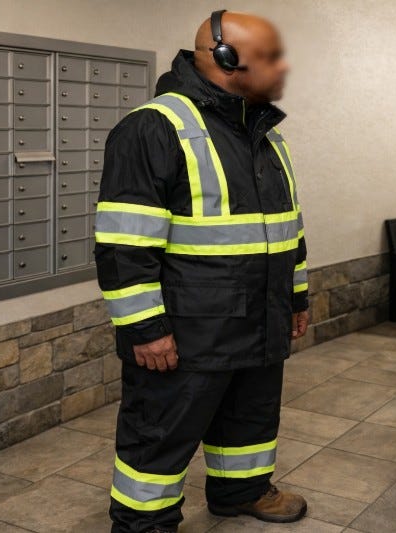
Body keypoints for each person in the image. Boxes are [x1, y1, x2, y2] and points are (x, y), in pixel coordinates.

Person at [93, 9, 310, 533]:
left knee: (250, 418)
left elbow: (286, 229)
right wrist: (145, 328)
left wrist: (296, 298)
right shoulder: (154, 128)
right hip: (188, 331)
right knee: (160, 433)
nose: (283, 69)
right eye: (269, 58)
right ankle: (144, 522)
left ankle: (242, 491)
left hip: (259, 317)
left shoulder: (265, 134)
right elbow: (124, 245)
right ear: (226, 59)